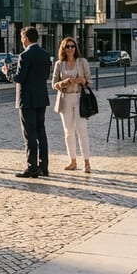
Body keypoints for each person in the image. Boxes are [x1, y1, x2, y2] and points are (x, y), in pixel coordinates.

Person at [2, 26, 51, 178]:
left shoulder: (25, 55)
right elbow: (46, 75)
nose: (21, 40)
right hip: (41, 97)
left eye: (22, 37)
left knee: (29, 134)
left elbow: (19, 78)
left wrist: (7, 72)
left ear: (26, 38)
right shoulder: (45, 54)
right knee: (41, 132)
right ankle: (44, 166)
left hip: (27, 99)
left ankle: (32, 167)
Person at [51, 36, 91, 173]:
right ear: (63, 48)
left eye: (72, 46)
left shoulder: (82, 62)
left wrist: (82, 80)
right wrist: (63, 83)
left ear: (76, 48)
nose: (70, 49)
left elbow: (90, 81)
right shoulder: (59, 64)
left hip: (79, 98)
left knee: (82, 130)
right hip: (65, 99)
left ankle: (86, 161)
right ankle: (72, 161)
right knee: (68, 132)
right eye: (67, 46)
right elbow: (53, 84)